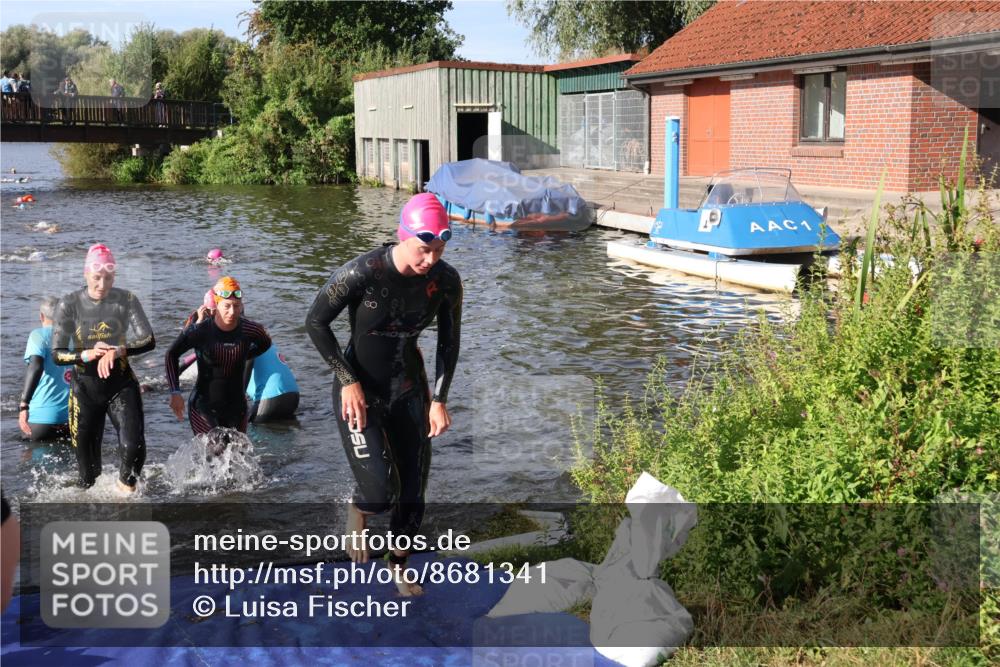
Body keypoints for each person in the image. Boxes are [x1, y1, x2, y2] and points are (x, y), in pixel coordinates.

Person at [305, 192, 463, 596]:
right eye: (423, 249)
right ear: (403, 236)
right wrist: (347, 380)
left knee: (413, 492)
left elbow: (449, 342)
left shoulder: (445, 281)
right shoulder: (363, 272)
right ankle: (358, 510)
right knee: (379, 493)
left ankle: (399, 565)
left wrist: (439, 400)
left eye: (439, 250)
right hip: (360, 390)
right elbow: (316, 323)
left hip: (410, 389)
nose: (430, 260)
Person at [52, 244, 155, 491]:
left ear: (114, 277)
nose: (101, 284)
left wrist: (118, 350)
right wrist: (86, 354)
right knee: (88, 477)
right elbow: (57, 354)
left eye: (107, 278)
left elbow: (148, 340)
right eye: (96, 278)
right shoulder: (69, 303)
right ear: (86, 274)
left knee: (134, 448)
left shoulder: (127, 300)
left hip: (120, 386)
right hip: (84, 391)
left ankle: (125, 495)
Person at [165, 277, 271, 436]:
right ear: (217, 305)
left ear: (241, 306)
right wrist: (175, 392)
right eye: (227, 306)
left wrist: (243, 355)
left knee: (238, 456)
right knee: (217, 448)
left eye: (236, 306)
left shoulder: (251, 330)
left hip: (237, 407)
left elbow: (265, 344)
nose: (232, 312)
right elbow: (171, 354)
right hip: (204, 406)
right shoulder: (200, 331)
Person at [19, 296, 71, 441]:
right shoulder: (75, 338)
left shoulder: (38, 335)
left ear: (41, 316)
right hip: (72, 420)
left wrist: (24, 406)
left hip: (41, 421)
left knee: (28, 458)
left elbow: (35, 367)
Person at [247, 346, 300, 423]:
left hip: (271, 398)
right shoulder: (262, 338)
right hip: (293, 396)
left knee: (250, 430)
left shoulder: (241, 339)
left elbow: (247, 363)